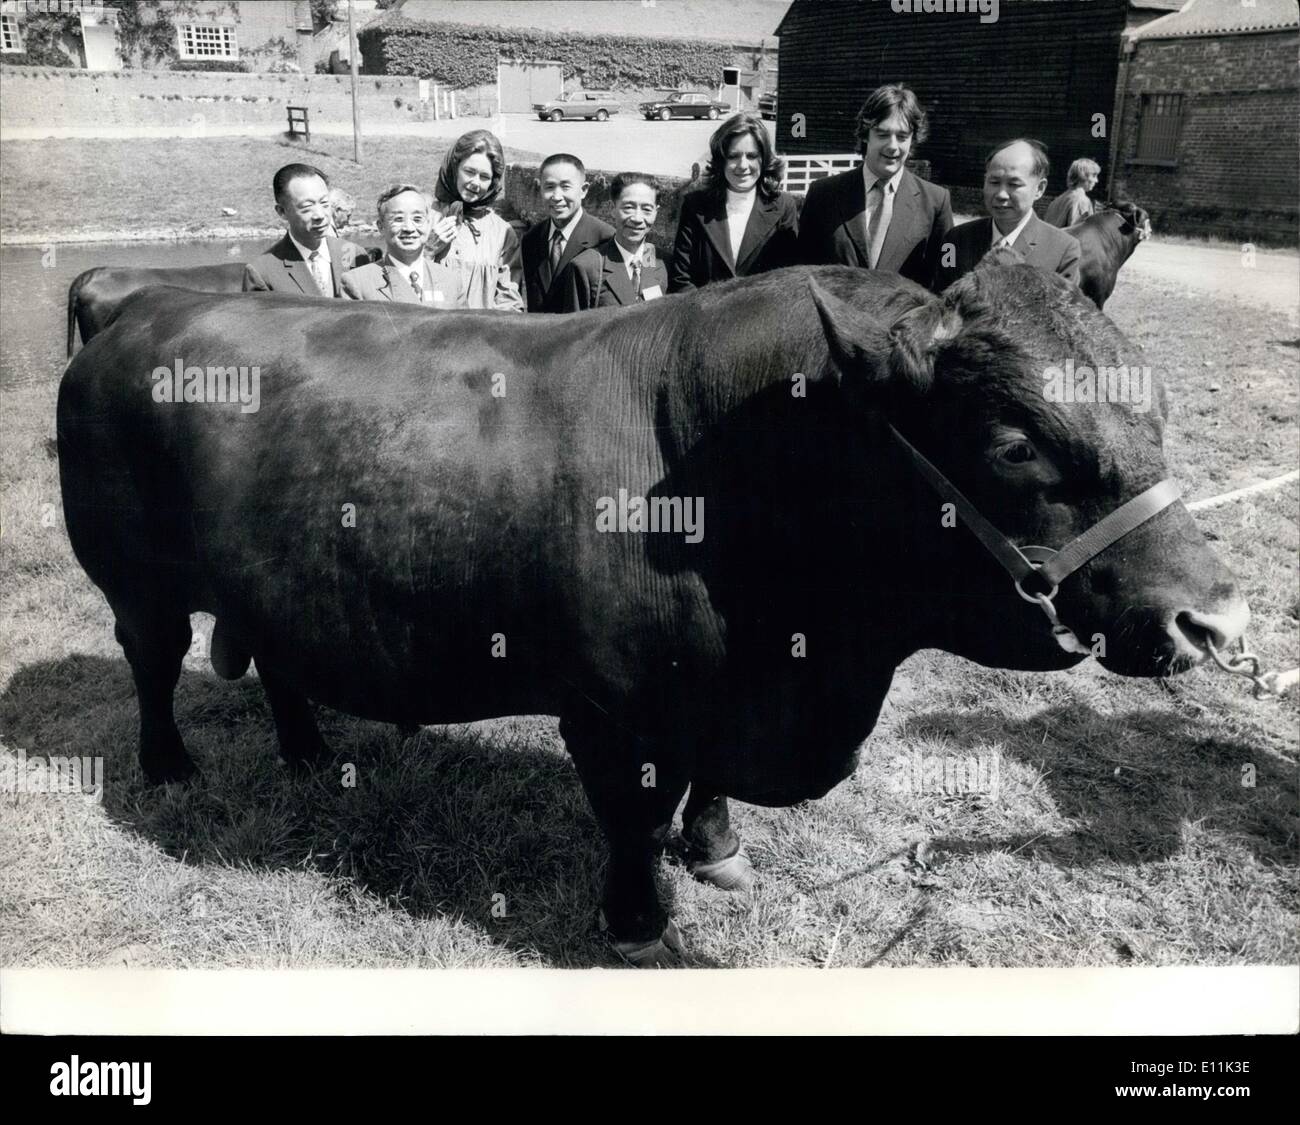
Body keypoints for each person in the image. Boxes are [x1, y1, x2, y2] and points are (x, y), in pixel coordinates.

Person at [797, 83, 952, 289]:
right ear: (865, 134)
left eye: (902, 136)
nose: (892, 146)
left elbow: (944, 279)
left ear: (913, 140)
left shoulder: (935, 202)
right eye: (882, 134)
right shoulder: (823, 194)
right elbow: (800, 272)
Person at [668, 111, 799, 292]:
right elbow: (681, 280)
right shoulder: (695, 205)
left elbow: (789, 280)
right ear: (721, 160)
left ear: (764, 159)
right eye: (733, 156)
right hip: (704, 317)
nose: (743, 165)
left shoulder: (784, 206)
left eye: (752, 156)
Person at [931, 138, 1081, 291]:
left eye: (1014, 184)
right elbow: (941, 302)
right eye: (994, 182)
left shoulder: (1063, 250)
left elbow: (1064, 313)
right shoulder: (956, 240)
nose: (1001, 194)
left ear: (1039, 188)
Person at [426, 129, 525, 312]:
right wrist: (429, 249)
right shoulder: (425, 217)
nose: (475, 183)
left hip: (479, 335)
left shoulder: (502, 232)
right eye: (469, 172)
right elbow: (401, 283)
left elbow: (509, 299)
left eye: (485, 177)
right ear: (454, 169)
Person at [243, 163, 372, 297]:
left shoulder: (354, 255)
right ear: (282, 211)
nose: (320, 215)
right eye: (307, 207)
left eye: (324, 203)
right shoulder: (262, 272)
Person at [341, 184, 464, 307]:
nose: (409, 228)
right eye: (398, 219)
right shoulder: (357, 283)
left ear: (428, 224)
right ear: (381, 227)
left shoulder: (452, 281)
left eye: (417, 219)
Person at [521, 153, 614, 313]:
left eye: (565, 187)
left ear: (584, 190)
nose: (557, 197)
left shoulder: (605, 238)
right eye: (549, 187)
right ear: (540, 188)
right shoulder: (531, 238)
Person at [565, 173, 670, 310]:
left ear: (656, 212)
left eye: (646, 209)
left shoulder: (664, 263)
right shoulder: (587, 267)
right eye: (628, 207)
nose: (637, 218)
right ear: (612, 209)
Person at [1044, 158, 1100, 228]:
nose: (1096, 180)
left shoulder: (1057, 200)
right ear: (1083, 176)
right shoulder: (1081, 200)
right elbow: (1078, 234)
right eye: (1094, 176)